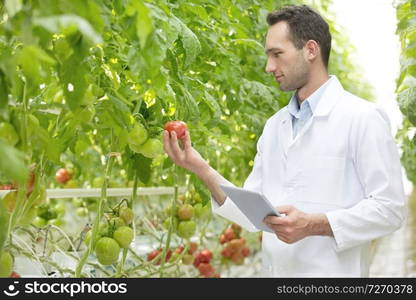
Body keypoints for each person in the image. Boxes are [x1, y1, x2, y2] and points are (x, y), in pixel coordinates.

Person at [162, 5, 406, 277]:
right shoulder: (274, 126)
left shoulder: (362, 118)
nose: (269, 67)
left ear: (311, 50)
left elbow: (390, 209)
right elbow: (250, 213)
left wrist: (316, 224)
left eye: (277, 54)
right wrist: (199, 166)